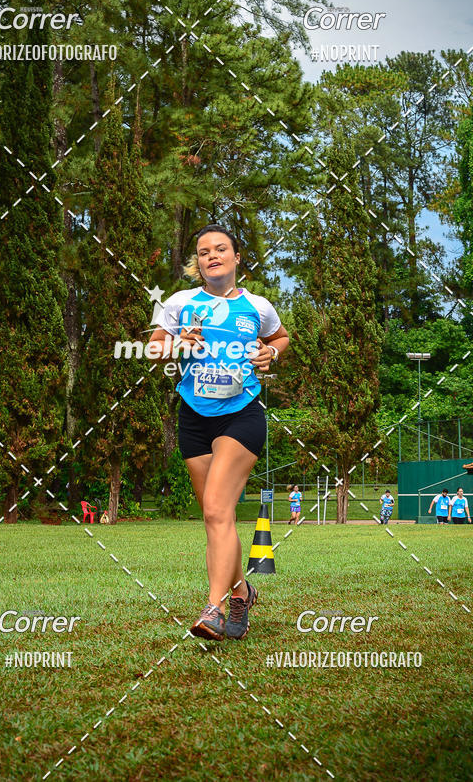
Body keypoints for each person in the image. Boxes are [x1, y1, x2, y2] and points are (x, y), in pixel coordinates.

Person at [147, 225, 289, 641]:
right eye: (204, 251)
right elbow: (154, 348)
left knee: (215, 509)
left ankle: (214, 609)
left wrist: (271, 352)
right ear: (197, 261)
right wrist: (178, 346)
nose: (212, 256)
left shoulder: (258, 307)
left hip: (241, 414)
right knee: (216, 518)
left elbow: (281, 337)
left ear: (236, 257)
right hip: (193, 416)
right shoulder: (180, 303)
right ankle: (243, 592)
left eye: (221, 249)